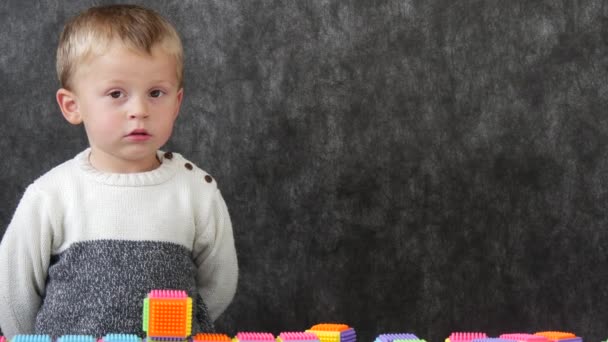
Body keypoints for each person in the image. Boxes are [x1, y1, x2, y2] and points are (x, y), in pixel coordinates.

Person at [0, 4, 238, 339]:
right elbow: (12, 295)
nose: (139, 110)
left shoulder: (196, 191)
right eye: (116, 94)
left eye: (156, 93)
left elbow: (218, 283)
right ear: (73, 105)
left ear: (177, 102)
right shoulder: (50, 195)